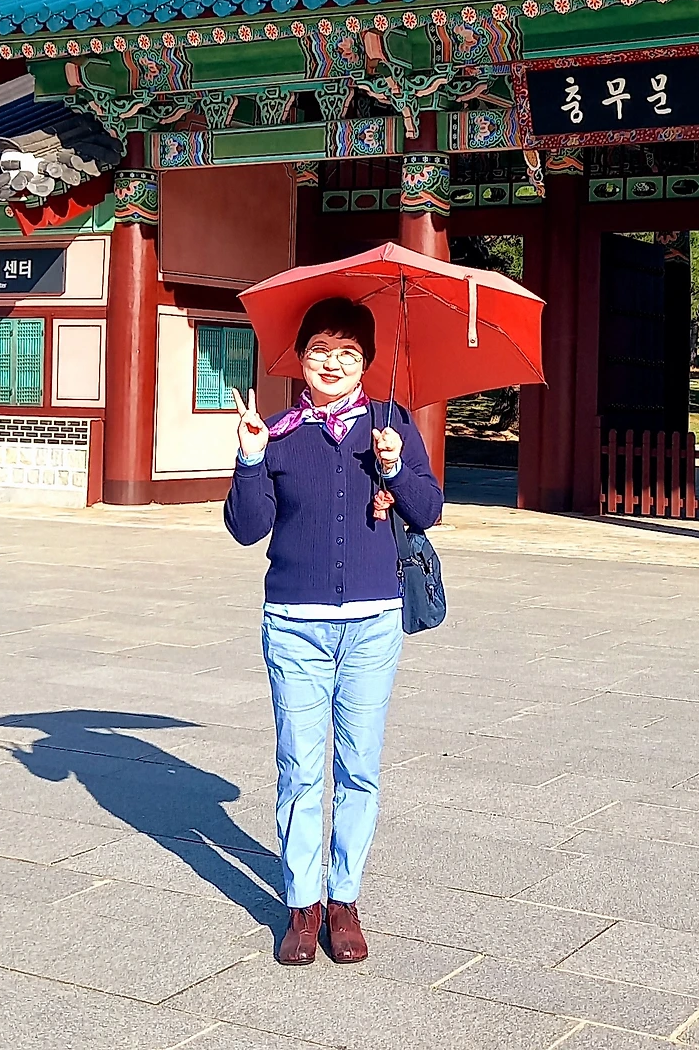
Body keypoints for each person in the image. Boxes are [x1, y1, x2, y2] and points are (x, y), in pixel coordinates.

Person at [223, 295, 443, 967]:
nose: (333, 363)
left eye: (348, 352)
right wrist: (250, 459)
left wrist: (394, 468)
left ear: (367, 362)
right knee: (298, 767)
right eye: (320, 350)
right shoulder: (278, 432)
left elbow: (428, 510)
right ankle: (302, 904)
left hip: (373, 622)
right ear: (300, 358)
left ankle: (343, 898)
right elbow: (247, 528)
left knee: (359, 767)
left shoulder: (390, 425)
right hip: (295, 623)